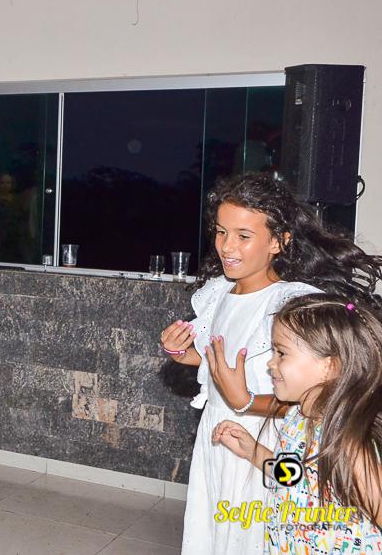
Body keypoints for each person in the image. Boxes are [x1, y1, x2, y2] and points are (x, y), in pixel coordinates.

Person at [161, 172, 382, 554]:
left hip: (263, 428)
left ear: (279, 241)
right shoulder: (218, 294)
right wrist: (183, 353)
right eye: (221, 232)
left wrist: (245, 402)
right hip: (231, 436)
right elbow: (222, 361)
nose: (227, 245)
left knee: (246, 534)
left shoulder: (290, 304)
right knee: (214, 531)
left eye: (243, 236)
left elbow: (307, 396)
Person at [213, 294, 382, 551]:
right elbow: (294, 478)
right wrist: (253, 452)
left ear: (329, 367)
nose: (271, 363)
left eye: (281, 353)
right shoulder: (296, 417)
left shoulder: (346, 442)